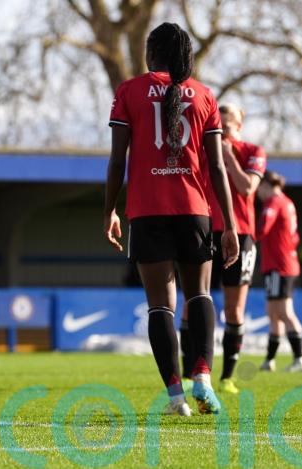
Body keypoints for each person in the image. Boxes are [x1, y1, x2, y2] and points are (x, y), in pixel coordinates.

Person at [104, 22, 239, 417]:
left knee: (160, 307)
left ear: (151, 53)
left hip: (147, 211)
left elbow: (118, 160)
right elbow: (216, 166)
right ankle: (203, 377)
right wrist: (229, 224)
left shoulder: (129, 91)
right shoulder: (205, 95)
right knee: (199, 295)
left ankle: (176, 397)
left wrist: (109, 209)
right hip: (195, 210)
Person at [179, 103, 266, 394]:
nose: (223, 130)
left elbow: (247, 187)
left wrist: (228, 156)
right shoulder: (205, 152)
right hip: (205, 232)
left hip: (241, 236)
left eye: (228, 125)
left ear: (239, 126)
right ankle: (188, 370)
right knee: (193, 301)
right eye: (219, 125)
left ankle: (227, 377)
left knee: (234, 309)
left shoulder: (253, 152)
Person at [257, 171, 302, 373]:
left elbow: (261, 229)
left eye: (259, 187)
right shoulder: (287, 202)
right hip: (283, 263)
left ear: (265, 185)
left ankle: (299, 358)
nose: (258, 192)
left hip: (280, 265)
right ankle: (270, 360)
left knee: (284, 312)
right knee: (273, 312)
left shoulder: (273, 203)